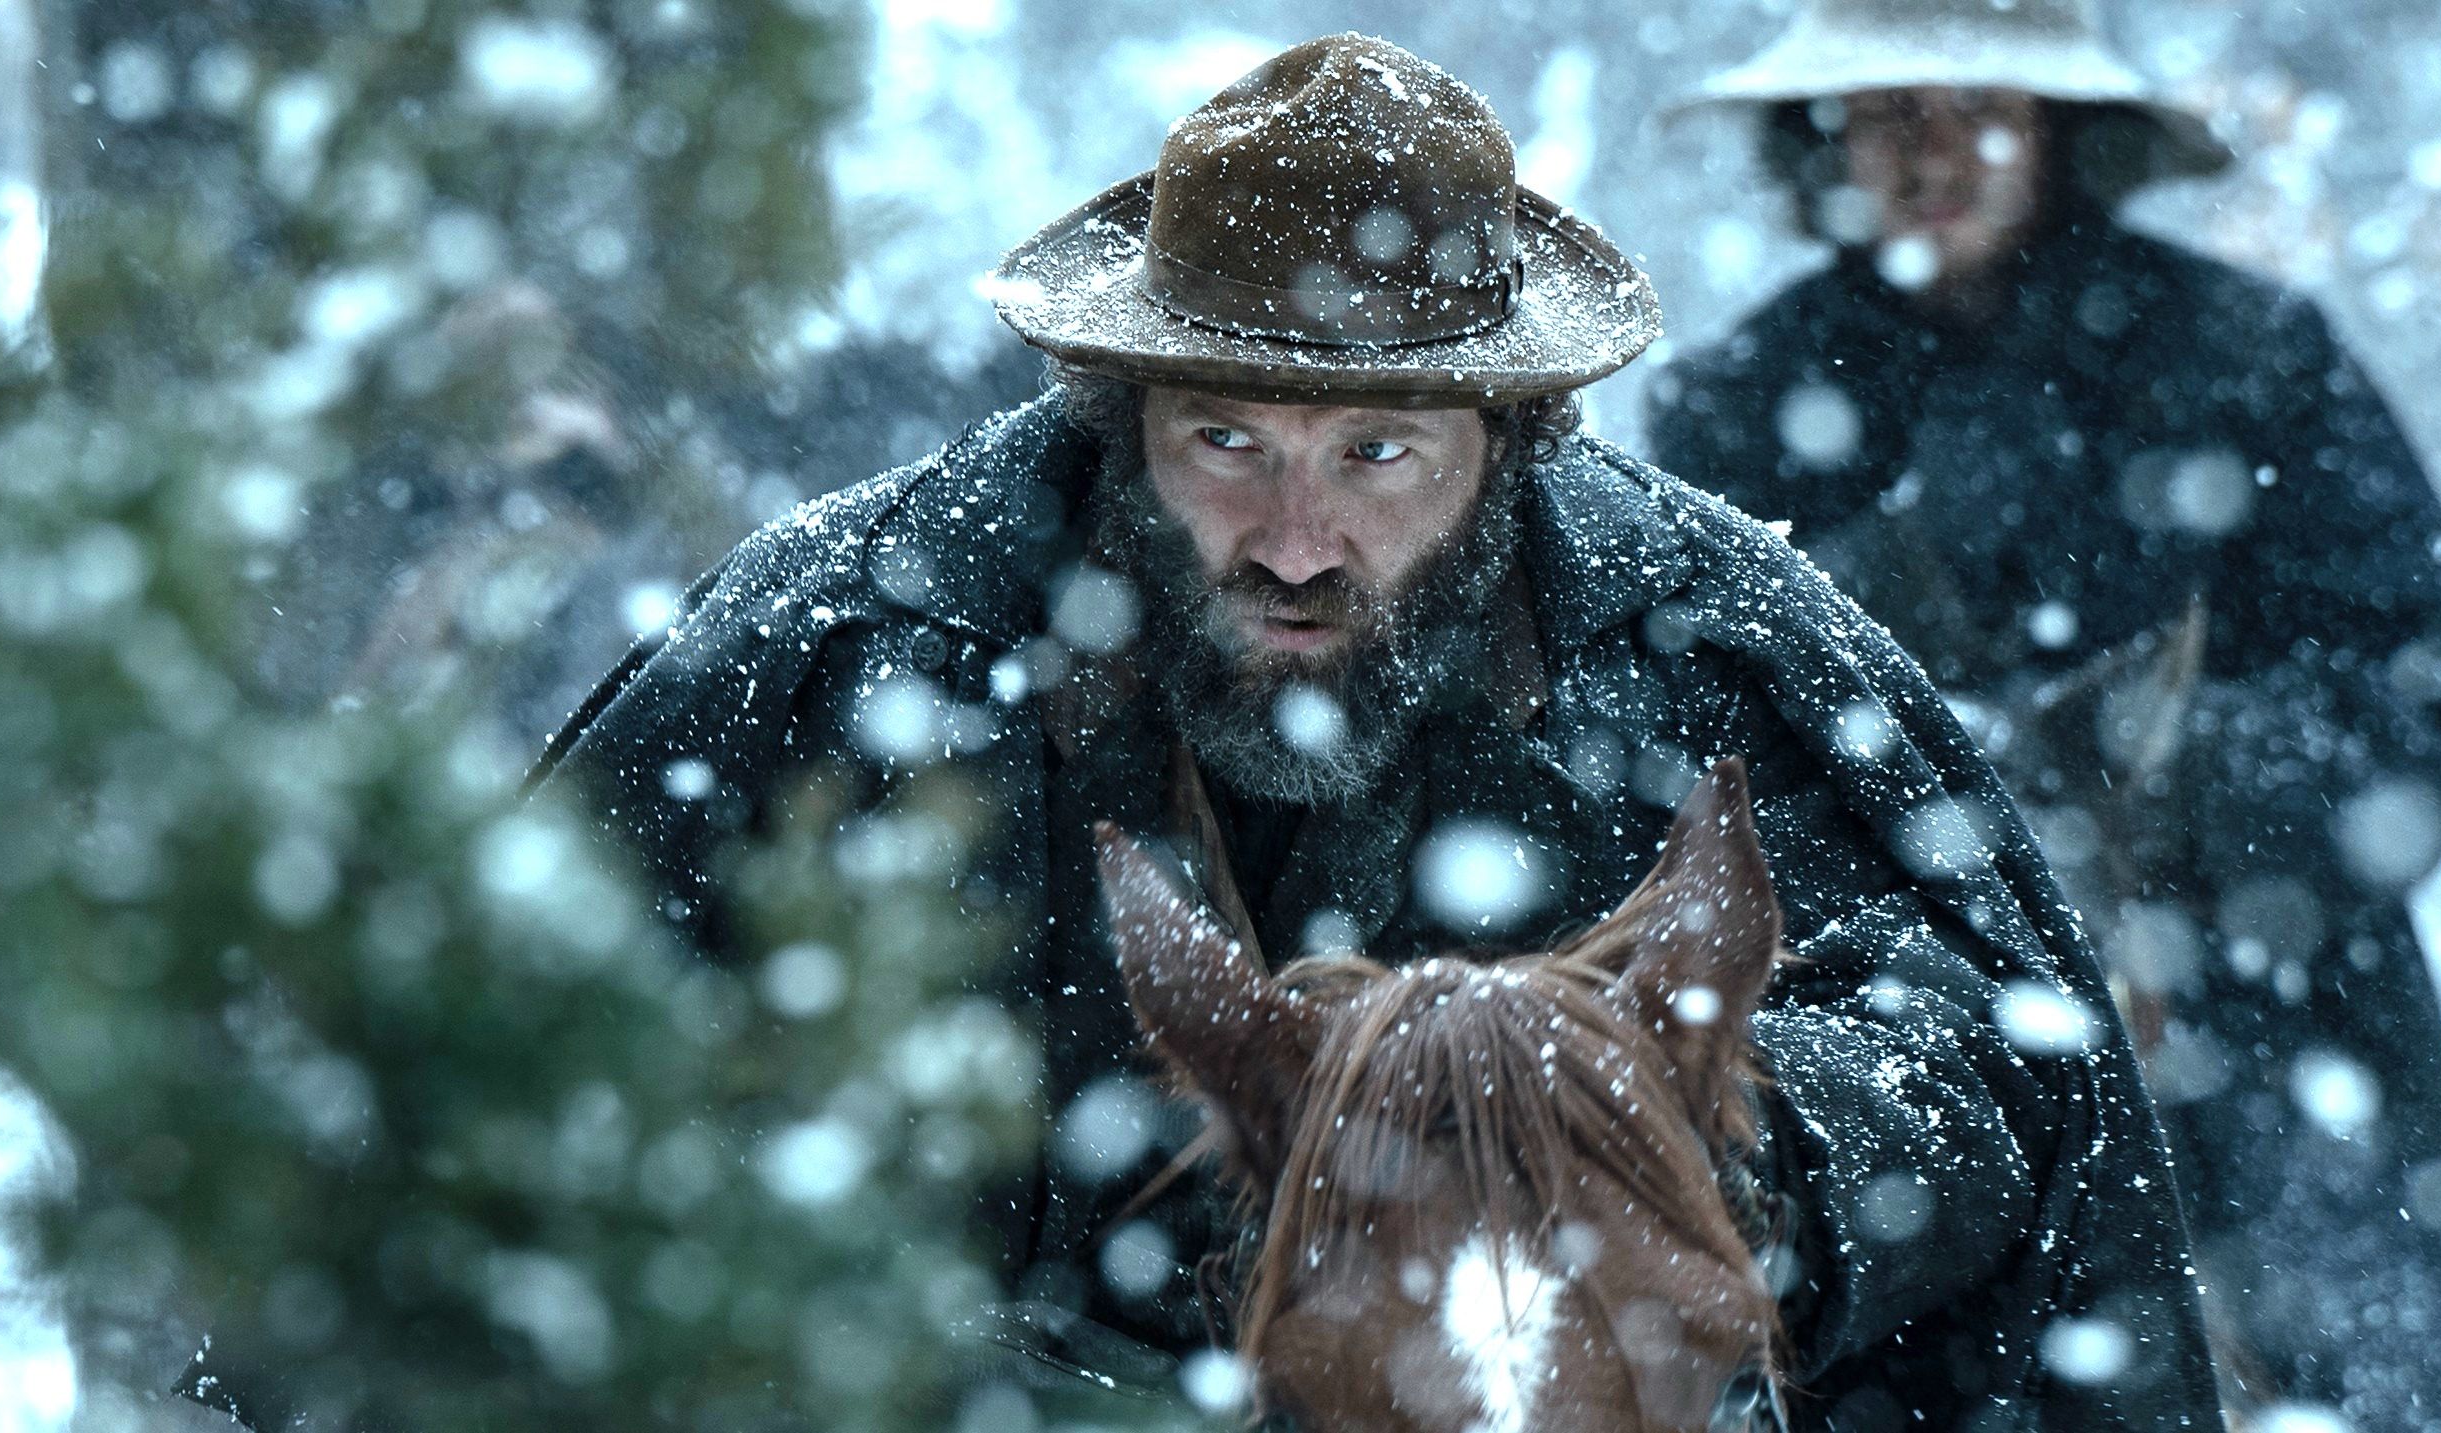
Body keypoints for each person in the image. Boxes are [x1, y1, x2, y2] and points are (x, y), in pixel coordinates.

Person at [537, 34, 2223, 1430]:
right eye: (1224, 440)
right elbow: (514, 1051)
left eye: (1375, 455)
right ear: (1120, 422)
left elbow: (2006, 1063)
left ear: (1507, 439)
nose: (1291, 535)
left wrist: (1685, 1158)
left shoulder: (1712, 653)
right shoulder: (848, 645)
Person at [1645, 3, 2441, 1429]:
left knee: (2392, 1388)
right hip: (1899, 1044)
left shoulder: (2245, 356)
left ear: (2060, 126)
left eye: (1970, 107)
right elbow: (1686, 756)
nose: (1925, 152)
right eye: (1886, 112)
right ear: (1820, 137)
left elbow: (2435, 679)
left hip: (2269, 1024)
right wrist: (1928, 835)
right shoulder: (1738, 407)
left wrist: (2175, 792)